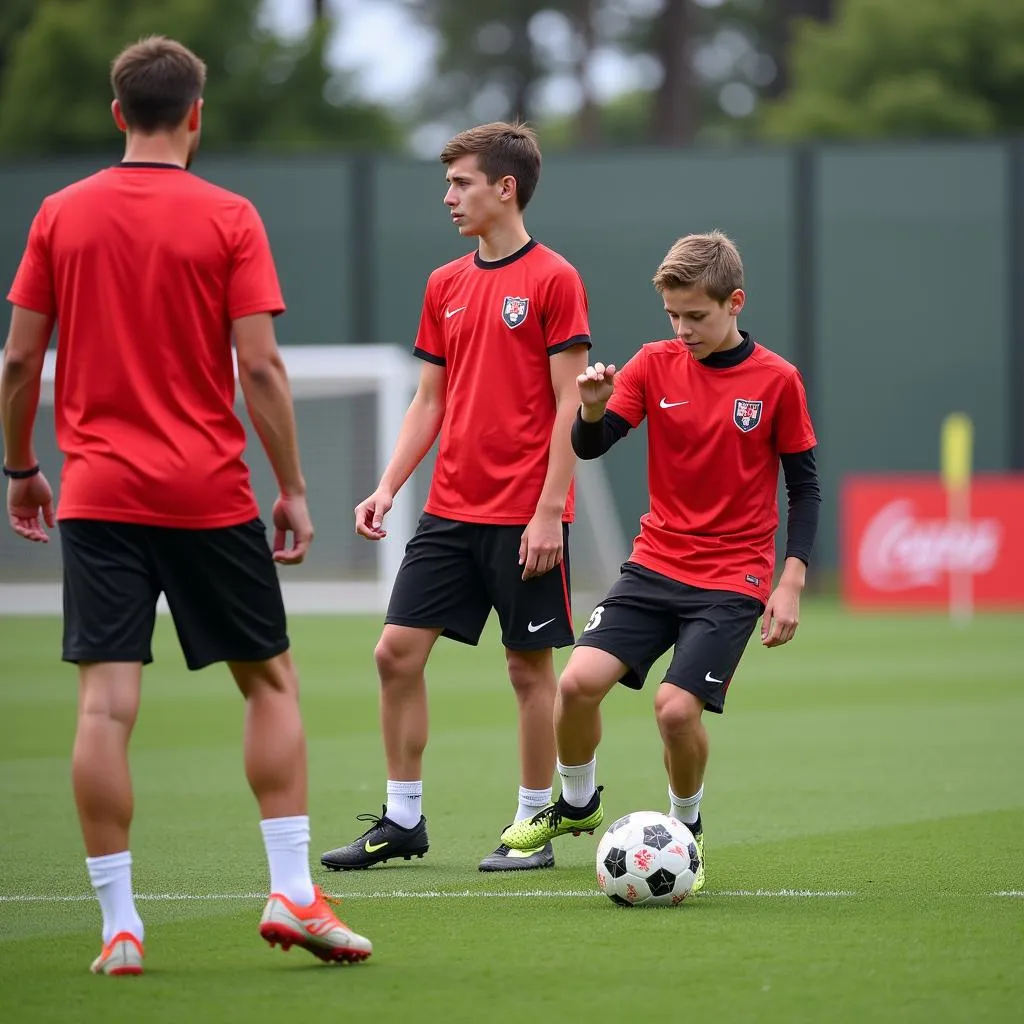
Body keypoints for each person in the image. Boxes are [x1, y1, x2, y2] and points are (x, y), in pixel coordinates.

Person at [0, 36, 372, 974]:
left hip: (95, 496)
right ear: (196, 115)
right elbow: (260, 366)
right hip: (207, 494)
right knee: (270, 682)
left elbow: (16, 362)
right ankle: (292, 890)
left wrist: (19, 469)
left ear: (118, 113)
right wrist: (290, 487)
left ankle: (119, 925)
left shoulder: (58, 213)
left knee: (104, 709)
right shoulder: (230, 216)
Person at [499, 231, 821, 893]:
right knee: (575, 685)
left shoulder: (777, 381)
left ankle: (686, 828)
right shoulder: (652, 364)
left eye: (696, 316)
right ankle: (577, 804)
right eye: (673, 316)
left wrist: (790, 580)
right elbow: (592, 446)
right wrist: (589, 411)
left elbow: (805, 488)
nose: (682, 329)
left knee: (676, 711)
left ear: (736, 302)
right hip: (654, 564)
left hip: (734, 576)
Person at [320, 122, 591, 874]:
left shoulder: (555, 279)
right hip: (450, 510)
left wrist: (548, 510)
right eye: (447, 185)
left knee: (527, 669)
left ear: (505, 188)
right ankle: (402, 819)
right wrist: (386, 485)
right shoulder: (444, 284)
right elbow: (428, 401)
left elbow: (573, 404)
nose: (448, 198)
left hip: (524, 515)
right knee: (394, 654)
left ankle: (534, 822)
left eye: (461, 183)